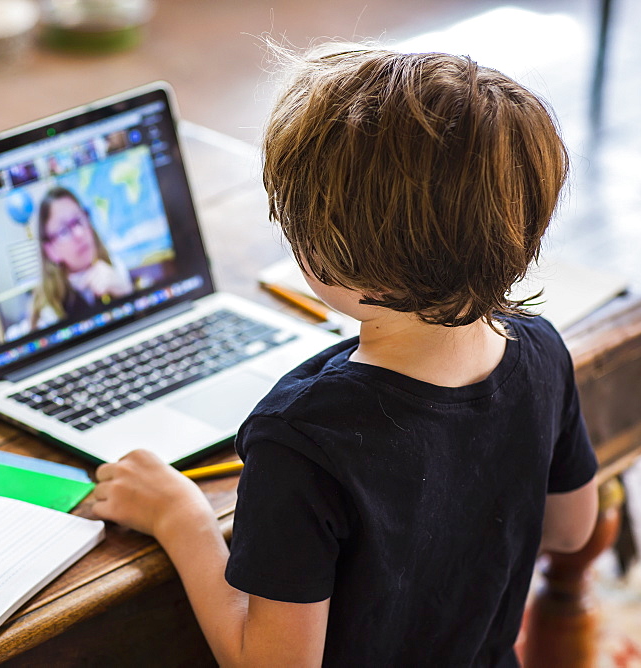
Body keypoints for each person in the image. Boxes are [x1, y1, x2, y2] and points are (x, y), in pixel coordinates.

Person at [92, 45, 599, 666]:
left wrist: (182, 519)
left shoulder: (302, 437)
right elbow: (571, 528)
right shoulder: (541, 348)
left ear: (327, 257)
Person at [28, 186, 132, 330]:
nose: (79, 233)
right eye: (64, 230)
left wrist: (127, 293)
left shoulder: (116, 267)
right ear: (50, 250)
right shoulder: (47, 312)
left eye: (78, 220)